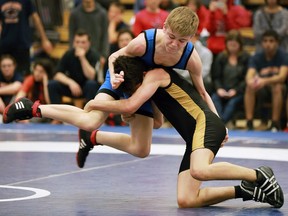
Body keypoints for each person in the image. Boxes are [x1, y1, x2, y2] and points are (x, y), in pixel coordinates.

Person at [3, 56, 284, 209]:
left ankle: (260, 175)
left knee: (199, 171)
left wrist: (95, 102)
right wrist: (126, 108)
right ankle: (246, 190)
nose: (136, 93)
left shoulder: (157, 76)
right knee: (187, 200)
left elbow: (131, 103)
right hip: (196, 135)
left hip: (206, 125)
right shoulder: (151, 89)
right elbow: (158, 122)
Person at [244, 30, 288, 131]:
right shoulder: (256, 57)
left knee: (277, 87)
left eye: (271, 41)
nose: (268, 44)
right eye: (265, 41)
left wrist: (263, 80)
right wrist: (250, 81)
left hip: (281, 88)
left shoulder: (283, 56)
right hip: (261, 88)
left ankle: (275, 123)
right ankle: (249, 122)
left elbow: (281, 77)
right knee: (249, 87)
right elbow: (249, 75)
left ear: (277, 43)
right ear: (262, 43)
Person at [48, 29, 101, 107]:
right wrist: (70, 82)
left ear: (88, 43)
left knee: (91, 84)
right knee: (52, 84)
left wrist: (82, 58)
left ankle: (89, 113)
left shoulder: (94, 55)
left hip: (88, 88)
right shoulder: (68, 54)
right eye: (77, 42)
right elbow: (57, 74)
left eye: (83, 42)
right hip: (72, 86)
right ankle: (56, 116)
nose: (79, 45)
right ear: (73, 43)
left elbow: (91, 76)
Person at [0, 0, 53, 76]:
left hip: (22, 44)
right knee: (4, 74)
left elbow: (36, 18)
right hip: (5, 44)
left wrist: (44, 39)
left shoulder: (26, 1)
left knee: (24, 74)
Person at [211, 30, 250, 125]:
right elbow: (216, 76)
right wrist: (219, 89)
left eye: (234, 45)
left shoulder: (245, 57)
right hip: (222, 89)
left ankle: (221, 123)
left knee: (232, 103)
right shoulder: (221, 57)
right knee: (214, 98)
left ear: (240, 45)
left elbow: (246, 78)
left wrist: (236, 90)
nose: (232, 48)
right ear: (226, 44)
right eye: (230, 45)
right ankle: (219, 122)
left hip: (238, 91)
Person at [69, 0, 109, 70]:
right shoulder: (74, 14)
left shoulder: (102, 13)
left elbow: (105, 35)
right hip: (78, 53)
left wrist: (104, 55)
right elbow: (71, 35)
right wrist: (72, 51)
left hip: (97, 54)